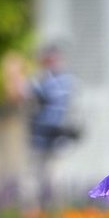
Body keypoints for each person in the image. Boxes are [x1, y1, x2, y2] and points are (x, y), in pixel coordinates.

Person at [27, 41, 80, 209]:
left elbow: (42, 93)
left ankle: (57, 215)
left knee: (56, 179)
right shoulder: (44, 78)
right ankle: (37, 215)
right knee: (36, 179)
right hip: (40, 137)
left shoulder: (61, 81)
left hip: (57, 137)